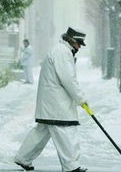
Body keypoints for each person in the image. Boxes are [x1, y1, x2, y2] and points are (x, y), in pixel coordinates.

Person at [14, 27, 88, 172]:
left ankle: (23, 158)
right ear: (72, 41)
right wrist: (81, 99)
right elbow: (68, 79)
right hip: (56, 103)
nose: (80, 47)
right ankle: (71, 166)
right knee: (65, 131)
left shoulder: (62, 51)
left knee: (41, 132)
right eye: (79, 43)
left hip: (51, 101)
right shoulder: (62, 52)